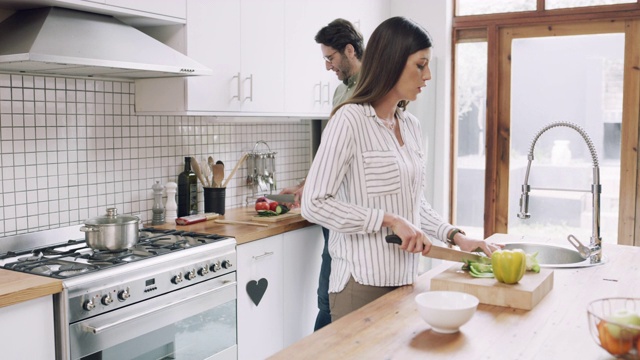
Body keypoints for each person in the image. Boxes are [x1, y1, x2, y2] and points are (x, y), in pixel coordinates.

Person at [301, 16, 503, 322]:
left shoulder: (410, 126)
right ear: (392, 63)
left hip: (408, 279)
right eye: (420, 65)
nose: (428, 75)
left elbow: (414, 202)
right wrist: (387, 220)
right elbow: (313, 204)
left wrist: (455, 236)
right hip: (361, 284)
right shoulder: (349, 120)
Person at [281, 18, 363, 331]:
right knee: (327, 295)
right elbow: (330, 154)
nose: (328, 66)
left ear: (350, 50)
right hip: (333, 208)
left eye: (330, 58)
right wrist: (307, 185)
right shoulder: (341, 93)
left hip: (352, 210)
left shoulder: (376, 89)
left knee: (334, 298)